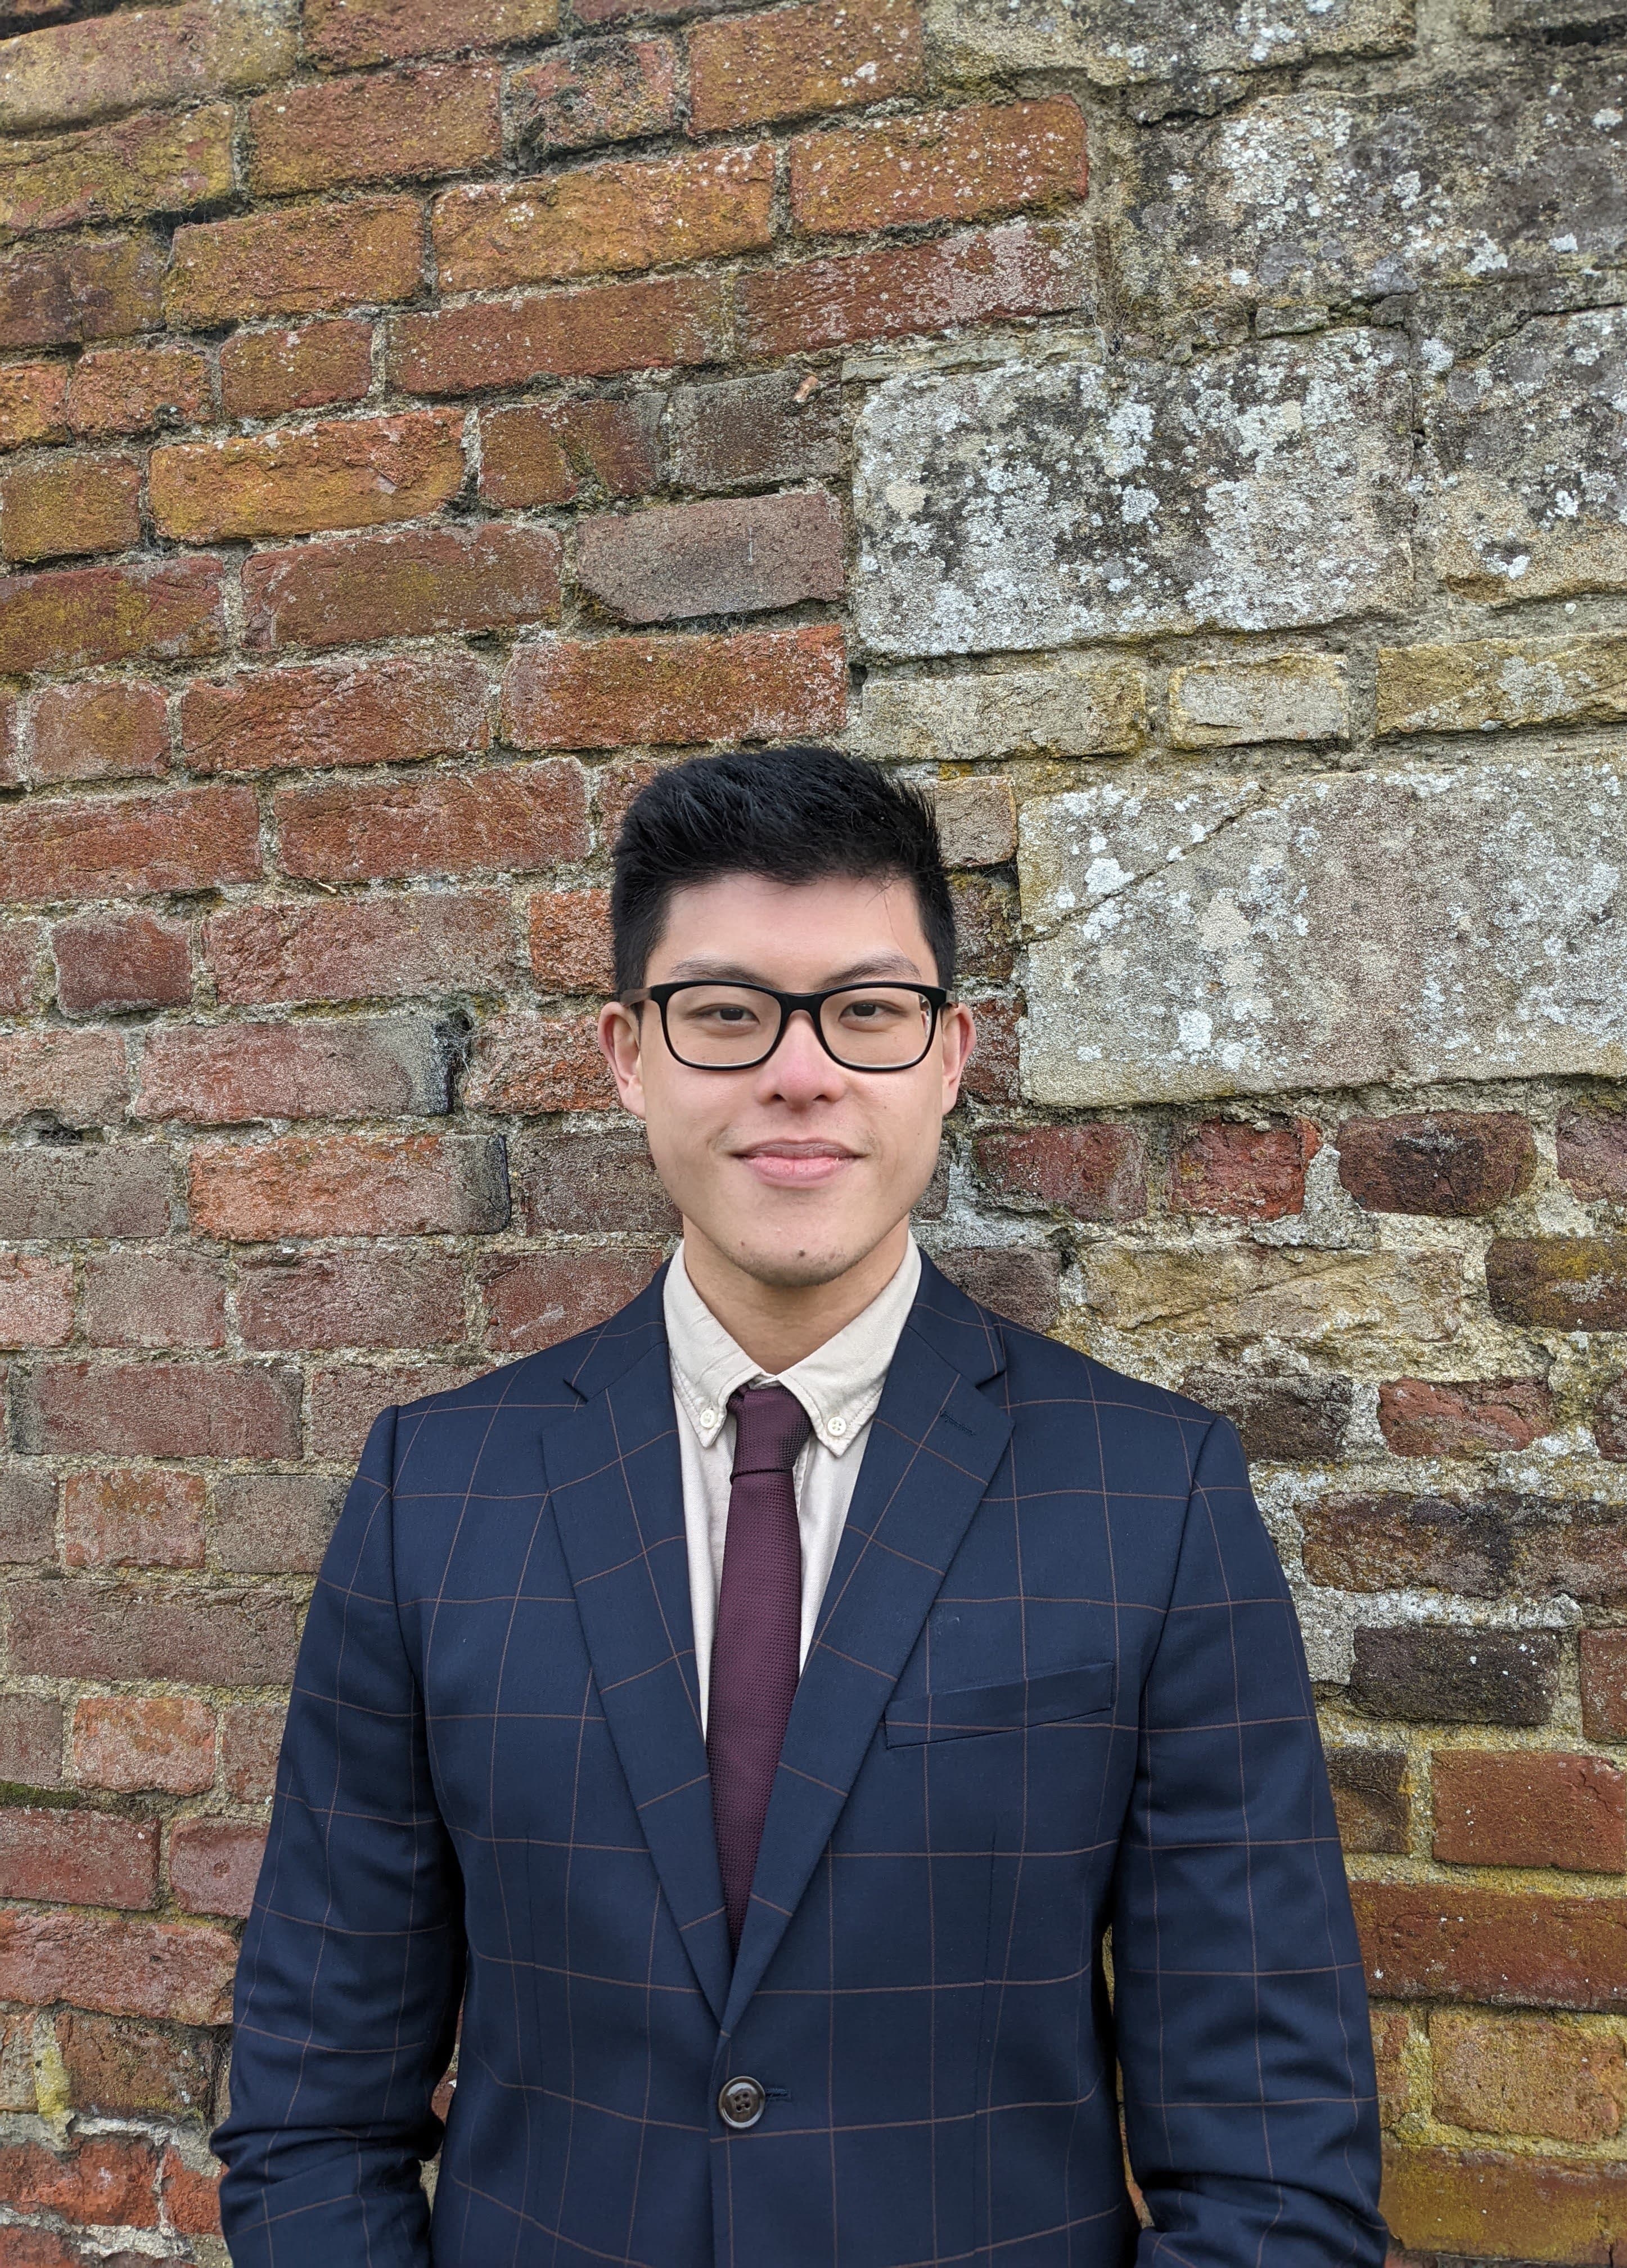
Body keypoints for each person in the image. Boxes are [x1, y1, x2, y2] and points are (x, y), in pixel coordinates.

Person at [211, 746, 1386, 2267]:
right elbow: (311, 2113)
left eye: (867, 1012)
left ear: (950, 1054)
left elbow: (1271, 2158)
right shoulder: (435, 1489)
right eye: (725, 1014)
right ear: (629, 1056)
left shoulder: (1147, 1495)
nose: (801, 1070)